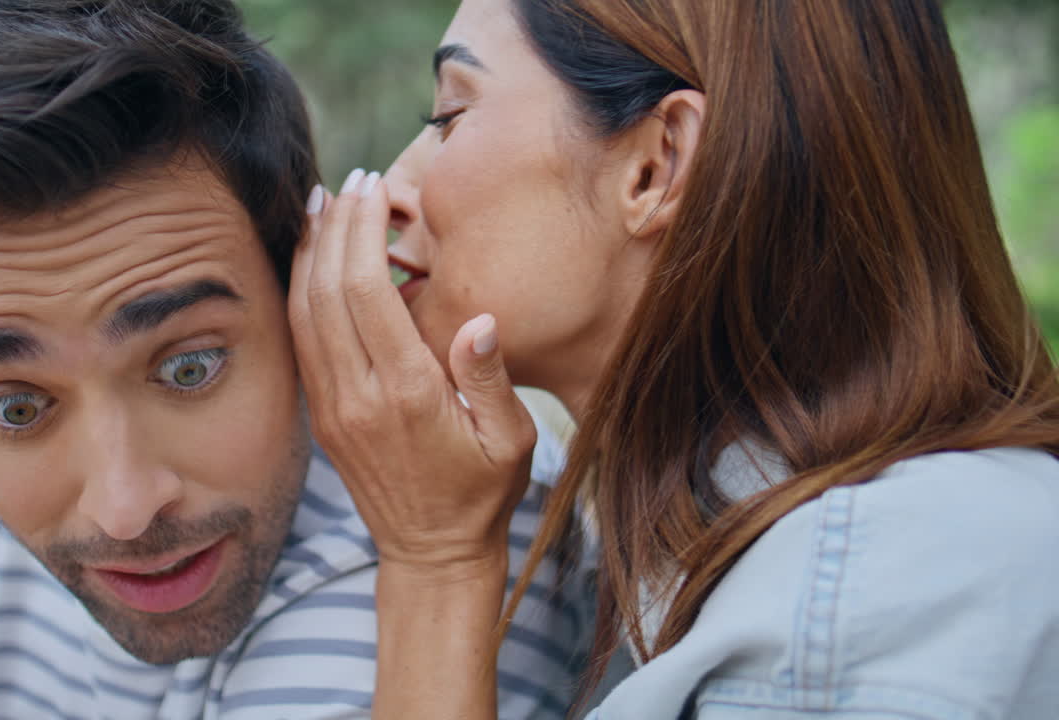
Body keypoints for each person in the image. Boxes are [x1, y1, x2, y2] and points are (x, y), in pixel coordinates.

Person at [0, 1, 591, 718]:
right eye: (15, 407)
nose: (125, 509)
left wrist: (437, 565)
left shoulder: (462, 546)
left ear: (306, 289)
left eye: (188, 369)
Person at [290, 0, 1059, 717]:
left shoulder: (866, 595)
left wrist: (436, 563)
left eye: (449, 116)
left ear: (656, 166)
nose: (391, 190)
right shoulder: (677, 583)